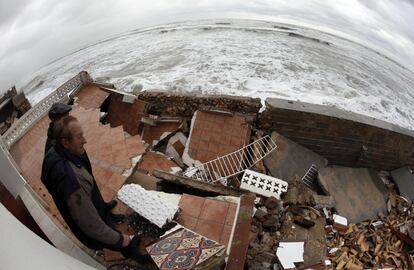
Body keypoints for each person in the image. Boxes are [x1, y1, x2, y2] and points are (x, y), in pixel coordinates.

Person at [41, 115, 137, 256]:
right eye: (79, 137)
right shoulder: (70, 179)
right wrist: (121, 239)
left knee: (97, 207)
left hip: (91, 204)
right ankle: (128, 250)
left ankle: (106, 216)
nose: (85, 141)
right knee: (118, 241)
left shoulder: (55, 149)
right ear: (65, 142)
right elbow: (91, 224)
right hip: (91, 229)